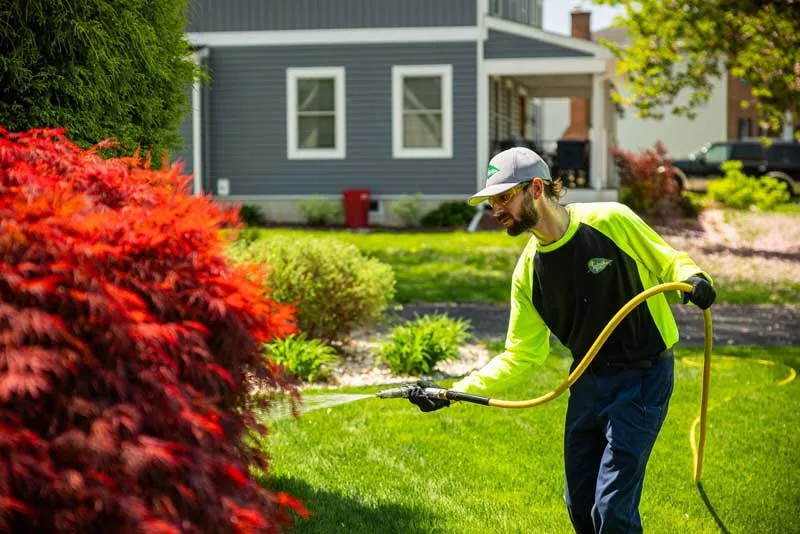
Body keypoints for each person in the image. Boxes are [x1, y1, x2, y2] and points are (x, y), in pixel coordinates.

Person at [407, 147, 716, 533]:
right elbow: (521, 354)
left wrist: (695, 277)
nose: (496, 210)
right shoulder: (528, 273)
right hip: (586, 381)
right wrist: (453, 391)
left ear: (536, 188)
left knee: (612, 509)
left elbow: (668, 260)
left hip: (643, 376)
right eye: (491, 202)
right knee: (580, 503)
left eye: (503, 198)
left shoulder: (610, 220)